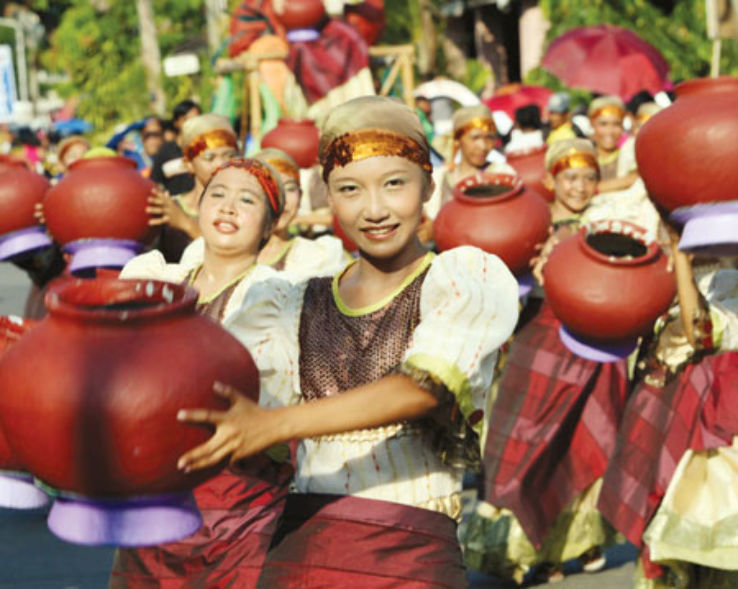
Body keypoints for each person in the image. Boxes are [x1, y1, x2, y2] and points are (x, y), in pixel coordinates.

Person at [176, 95, 519, 587]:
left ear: (428, 185)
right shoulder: (292, 302)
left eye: (394, 183)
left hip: (410, 558)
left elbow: (424, 388)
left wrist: (273, 425)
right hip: (299, 553)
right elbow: (228, 406)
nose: (374, 209)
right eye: (350, 189)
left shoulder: (461, 278)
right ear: (330, 199)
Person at [110, 158, 293, 588]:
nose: (228, 207)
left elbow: (276, 413)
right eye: (218, 194)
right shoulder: (158, 281)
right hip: (153, 499)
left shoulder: (277, 297)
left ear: (269, 226)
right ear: (200, 205)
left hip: (237, 509)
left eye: (247, 200)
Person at [465, 138, 626, 585]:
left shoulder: (608, 225)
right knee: (525, 446)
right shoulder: (529, 225)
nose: (580, 186)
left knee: (581, 447)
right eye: (571, 177)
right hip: (538, 344)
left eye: (589, 177)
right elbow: (498, 292)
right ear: (552, 180)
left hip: (596, 348)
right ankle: (521, 549)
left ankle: (568, 545)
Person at [598, 217, 738, 589]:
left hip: (715, 441)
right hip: (669, 410)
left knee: (700, 540)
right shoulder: (706, 277)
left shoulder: (725, 287)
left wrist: (681, 257)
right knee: (664, 528)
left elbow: (701, 332)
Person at [147, 113, 239, 261]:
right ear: (189, 164)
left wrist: (186, 223)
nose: (221, 164)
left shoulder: (242, 210)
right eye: (210, 158)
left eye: (230, 156)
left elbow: (234, 259)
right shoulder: (170, 208)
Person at [427, 104, 515, 219]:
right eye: (475, 138)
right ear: (458, 139)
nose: (483, 146)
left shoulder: (503, 174)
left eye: (489, 137)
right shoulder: (438, 179)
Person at [150, 99, 202, 196]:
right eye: (186, 119)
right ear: (176, 123)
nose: (192, 124)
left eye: (196, 119)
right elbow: (155, 182)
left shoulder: (205, 149)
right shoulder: (166, 150)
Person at [588, 95, 638, 193]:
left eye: (616, 124)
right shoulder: (585, 156)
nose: (610, 131)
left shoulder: (630, 156)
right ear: (592, 124)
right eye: (603, 124)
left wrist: (594, 189)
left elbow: (636, 178)